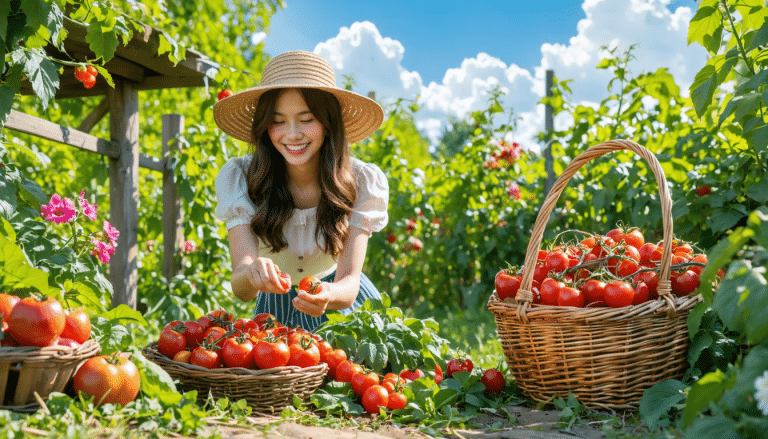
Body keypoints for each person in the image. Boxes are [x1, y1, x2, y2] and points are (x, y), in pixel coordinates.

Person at [212, 50, 388, 332]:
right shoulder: (242, 177)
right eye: (278, 121)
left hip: (340, 304)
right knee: (285, 370)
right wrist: (253, 272)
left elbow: (350, 282)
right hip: (275, 306)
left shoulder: (360, 180)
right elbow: (241, 287)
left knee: (361, 371)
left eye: (307, 119)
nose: (292, 134)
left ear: (328, 123)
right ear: (264, 126)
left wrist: (328, 294)